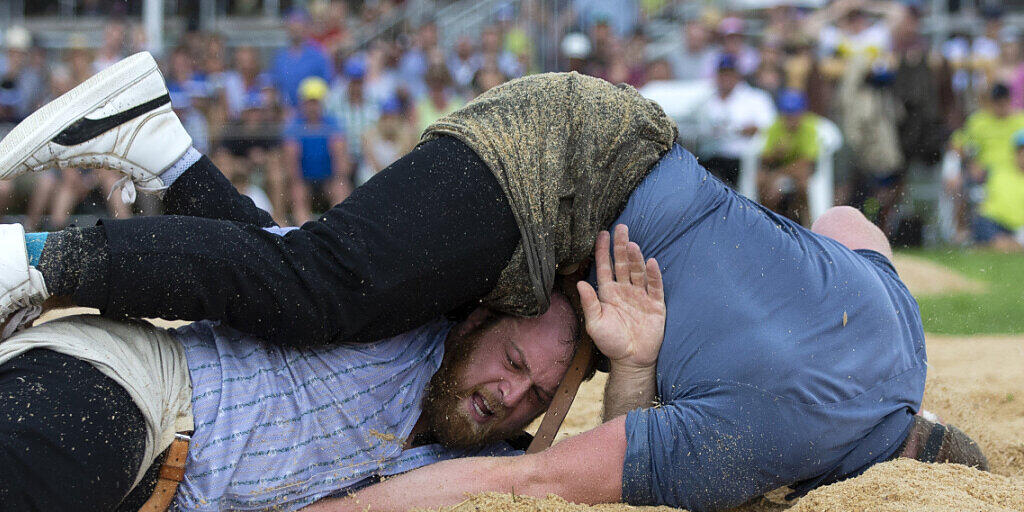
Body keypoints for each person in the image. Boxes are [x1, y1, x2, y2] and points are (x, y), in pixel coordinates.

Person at [0, 53, 988, 511]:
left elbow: (849, 223)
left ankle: (158, 142)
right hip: (570, 164)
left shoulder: (892, 330)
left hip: (608, 161)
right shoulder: (764, 443)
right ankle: (31, 258)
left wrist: (706, 300)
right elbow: (542, 474)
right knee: (330, 281)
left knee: (325, 296)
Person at [700, 54, 777, 188]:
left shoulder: (756, 98)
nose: (726, 78)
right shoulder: (707, 99)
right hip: (712, 154)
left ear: (737, 75)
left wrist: (746, 130)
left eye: (730, 74)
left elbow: (770, 128)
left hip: (744, 158)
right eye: (723, 74)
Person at [284, 76, 351, 224]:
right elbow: (291, 162)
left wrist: (339, 178)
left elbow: (341, 160)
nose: (312, 106)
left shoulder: (333, 124)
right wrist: (296, 181)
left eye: (315, 102)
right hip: (304, 180)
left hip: (328, 179)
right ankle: (305, 231)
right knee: (297, 192)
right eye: (309, 102)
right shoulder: (294, 125)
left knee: (341, 188)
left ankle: (338, 229)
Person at [758, 89, 821, 225]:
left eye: (794, 114)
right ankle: (767, 222)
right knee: (761, 181)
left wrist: (778, 175)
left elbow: (806, 161)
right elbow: (765, 158)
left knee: (802, 182)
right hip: (779, 167)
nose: (791, 119)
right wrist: (777, 153)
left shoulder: (809, 126)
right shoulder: (776, 126)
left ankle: (806, 222)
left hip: (796, 169)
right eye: (788, 115)